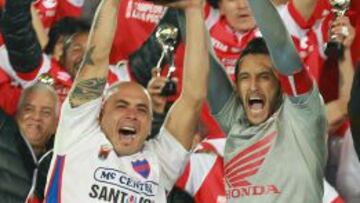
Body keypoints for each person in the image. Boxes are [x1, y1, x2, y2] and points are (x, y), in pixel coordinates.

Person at [44, 0, 208, 201]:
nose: (132, 114)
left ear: (149, 125)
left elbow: (194, 97)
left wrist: (194, 10)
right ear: (100, 113)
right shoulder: (78, 133)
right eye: (121, 105)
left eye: (142, 109)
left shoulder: (160, 162)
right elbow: (95, 61)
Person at [207, 0, 327, 201]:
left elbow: (281, 49)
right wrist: (189, 10)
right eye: (245, 77)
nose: (253, 86)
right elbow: (205, 68)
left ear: (281, 85)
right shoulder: (236, 122)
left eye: (264, 76)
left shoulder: (303, 115)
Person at [0, 82, 59, 202]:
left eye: (46, 112)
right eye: (29, 109)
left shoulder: (62, 160)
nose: (36, 117)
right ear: (17, 114)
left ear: (56, 124)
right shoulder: (3, 133)